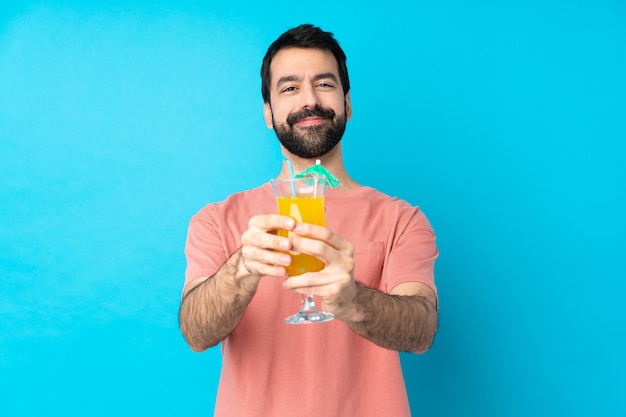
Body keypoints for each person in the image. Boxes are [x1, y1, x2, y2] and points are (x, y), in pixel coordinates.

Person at [179, 24, 439, 417]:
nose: (310, 100)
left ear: (348, 103)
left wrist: (353, 300)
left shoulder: (401, 220)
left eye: (324, 83)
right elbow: (196, 334)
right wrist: (242, 267)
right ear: (268, 112)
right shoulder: (216, 220)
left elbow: (422, 331)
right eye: (289, 88)